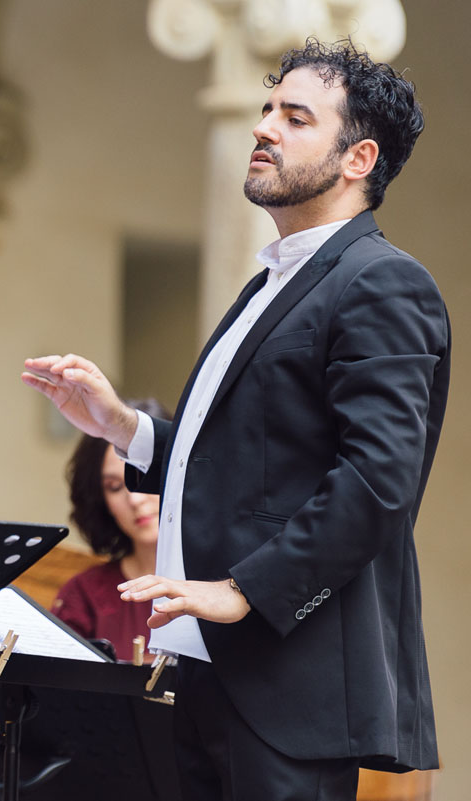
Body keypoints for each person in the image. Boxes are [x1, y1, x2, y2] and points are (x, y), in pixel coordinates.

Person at [22, 38, 446, 801]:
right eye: (265, 109)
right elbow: (242, 457)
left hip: (288, 678)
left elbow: (380, 481)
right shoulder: (273, 282)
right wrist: (122, 425)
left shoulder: (382, 283)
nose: (263, 127)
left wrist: (247, 589)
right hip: (204, 669)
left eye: (294, 116)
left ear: (358, 159)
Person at [51, 398, 168, 658]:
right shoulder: (84, 596)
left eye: (145, 476)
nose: (136, 499)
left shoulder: (227, 585)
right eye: (115, 487)